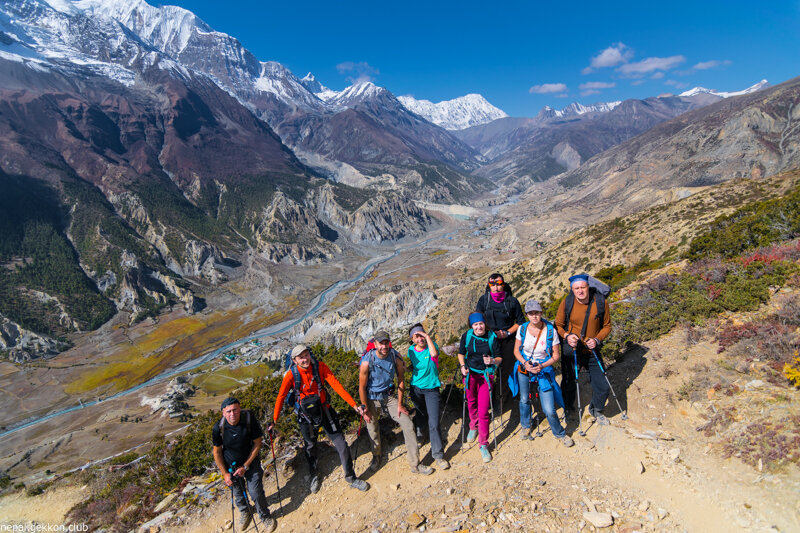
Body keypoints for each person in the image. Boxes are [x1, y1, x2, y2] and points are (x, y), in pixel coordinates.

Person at [270, 345, 370, 493]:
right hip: (306, 416)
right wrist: (274, 420)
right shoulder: (291, 375)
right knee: (310, 446)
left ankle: (351, 478)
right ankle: (314, 474)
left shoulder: (320, 367)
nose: (305, 359)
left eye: (306, 355)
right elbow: (281, 396)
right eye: (301, 357)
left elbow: (337, 386)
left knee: (341, 444)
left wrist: (355, 406)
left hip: (324, 410)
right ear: (294, 360)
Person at [360, 330, 434, 475]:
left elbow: (401, 379)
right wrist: (364, 407)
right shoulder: (367, 361)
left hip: (388, 397)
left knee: (406, 422)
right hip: (371, 398)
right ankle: (377, 456)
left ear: (389, 343)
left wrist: (400, 404)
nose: (384, 346)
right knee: (372, 428)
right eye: (381, 343)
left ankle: (415, 464)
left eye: (386, 343)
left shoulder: (395, 357)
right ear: (375, 344)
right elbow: (361, 387)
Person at [513, 300, 574, 447]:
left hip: (543, 369)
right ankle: (526, 426)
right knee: (524, 399)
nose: (534, 316)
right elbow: (516, 350)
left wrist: (541, 365)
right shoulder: (522, 329)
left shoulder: (550, 330)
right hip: (525, 368)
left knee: (549, 409)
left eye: (537, 313)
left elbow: (555, 355)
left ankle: (560, 433)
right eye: (531, 313)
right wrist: (525, 363)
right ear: (527, 315)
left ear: (541, 313)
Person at [212, 397, 278, 532]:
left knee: (255, 492)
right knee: (237, 492)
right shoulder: (218, 428)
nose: (232, 414)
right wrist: (225, 474)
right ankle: (245, 512)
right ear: (223, 413)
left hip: (250, 462)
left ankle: (265, 516)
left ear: (240, 409)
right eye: (229, 411)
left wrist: (246, 466)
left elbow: (257, 443)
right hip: (231, 465)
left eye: (235, 410)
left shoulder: (249, 420)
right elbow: (217, 452)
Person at [556, 274, 613, 424]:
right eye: (576, 288)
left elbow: (607, 326)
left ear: (588, 287)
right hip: (573, 349)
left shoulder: (600, 302)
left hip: (591, 349)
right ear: (572, 290)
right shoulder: (567, 303)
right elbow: (559, 325)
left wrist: (596, 339)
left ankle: (596, 409)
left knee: (602, 385)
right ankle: (569, 409)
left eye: (583, 287)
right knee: (568, 383)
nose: (580, 291)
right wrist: (567, 336)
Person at [457, 312, 502, 462]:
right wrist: (463, 366)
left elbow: (499, 358)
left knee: (483, 410)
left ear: (485, 323)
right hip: (470, 375)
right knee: (471, 403)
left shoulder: (491, 337)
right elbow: (461, 353)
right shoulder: (467, 336)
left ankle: (483, 444)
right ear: (472, 326)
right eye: (475, 324)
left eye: (481, 323)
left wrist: (493, 361)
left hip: (485, 376)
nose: (478, 327)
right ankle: (473, 426)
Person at [475, 273, 525, 403]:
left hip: (508, 341)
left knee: (506, 371)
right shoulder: (483, 300)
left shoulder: (512, 301)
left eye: (499, 284)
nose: (496, 287)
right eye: (492, 284)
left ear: (503, 284)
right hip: (489, 341)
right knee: (488, 370)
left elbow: (520, 322)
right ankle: (488, 400)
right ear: (489, 285)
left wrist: (507, 333)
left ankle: (502, 399)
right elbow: (478, 319)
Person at [406, 323, 450, 470]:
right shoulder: (411, 350)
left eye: (421, 334)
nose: (419, 338)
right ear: (412, 339)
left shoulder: (433, 346)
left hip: (431, 389)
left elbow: (434, 355)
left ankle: (438, 455)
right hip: (416, 388)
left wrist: (427, 337)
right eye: (416, 336)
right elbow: (414, 365)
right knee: (420, 413)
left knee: (434, 422)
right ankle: (421, 435)